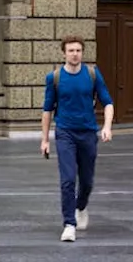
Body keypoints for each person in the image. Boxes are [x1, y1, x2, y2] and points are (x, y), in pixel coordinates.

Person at [40, 36, 114, 243]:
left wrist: (107, 127)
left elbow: (107, 102)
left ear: (82, 53)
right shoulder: (54, 78)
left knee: (87, 181)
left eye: (78, 50)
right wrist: (45, 139)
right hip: (65, 132)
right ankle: (69, 224)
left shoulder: (92, 74)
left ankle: (81, 206)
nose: (75, 54)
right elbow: (47, 110)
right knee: (68, 180)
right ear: (64, 53)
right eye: (71, 50)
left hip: (88, 133)